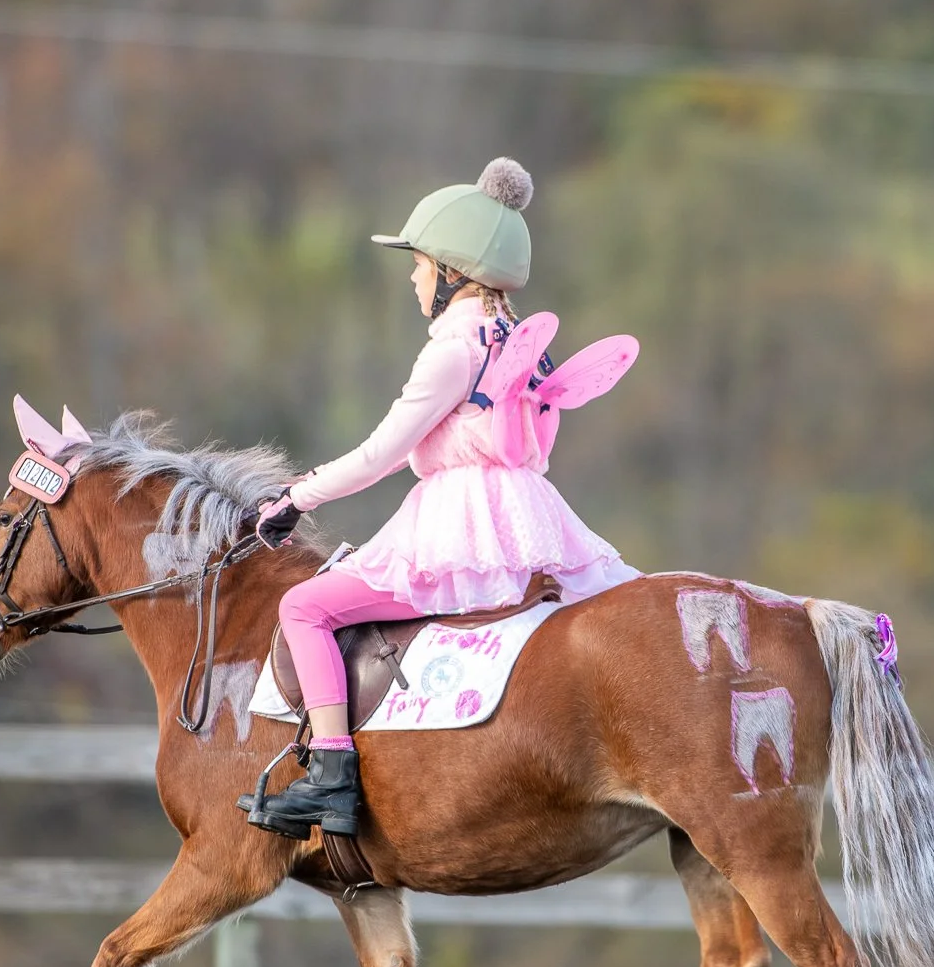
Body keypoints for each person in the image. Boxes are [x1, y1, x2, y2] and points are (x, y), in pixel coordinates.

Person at [244, 157, 639, 839]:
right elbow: (534, 452)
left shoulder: (452, 351)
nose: (413, 275)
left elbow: (381, 455)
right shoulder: (527, 350)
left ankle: (331, 777)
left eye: (421, 262)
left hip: (459, 528)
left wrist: (295, 497)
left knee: (303, 606)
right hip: (529, 520)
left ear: (453, 270)